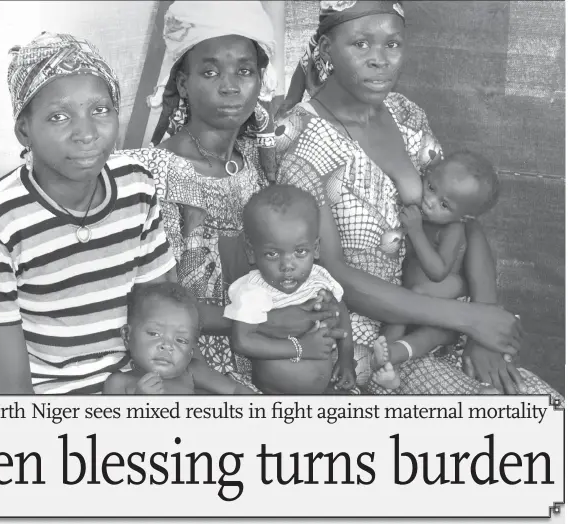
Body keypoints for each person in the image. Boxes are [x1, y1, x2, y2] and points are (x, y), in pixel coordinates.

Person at [275, 0, 563, 400]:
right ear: (325, 48)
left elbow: (462, 219)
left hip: (442, 322)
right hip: (362, 338)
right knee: (485, 422)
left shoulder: (407, 114)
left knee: (545, 409)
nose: (380, 60)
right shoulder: (297, 139)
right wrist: (467, 317)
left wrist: (484, 324)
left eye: (392, 45)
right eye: (360, 44)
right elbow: (330, 271)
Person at [124, 1, 346, 389]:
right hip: (189, 368)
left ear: (260, 79)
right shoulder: (148, 175)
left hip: (272, 357)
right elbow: (150, 302)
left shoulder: (261, 167)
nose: (230, 86)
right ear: (182, 83)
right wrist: (269, 322)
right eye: (210, 72)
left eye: (244, 70)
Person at [0, 33, 176, 394]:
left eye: (100, 110)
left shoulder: (135, 183)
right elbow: (11, 393)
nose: (86, 134)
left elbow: (164, 310)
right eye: (58, 117)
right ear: (24, 131)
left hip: (138, 384)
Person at [372, 151, 501, 390]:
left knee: (422, 329)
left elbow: (438, 271)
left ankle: (394, 357)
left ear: (465, 217)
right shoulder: (424, 212)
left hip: (446, 303)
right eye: (431, 187)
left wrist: (416, 231)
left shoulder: (452, 229)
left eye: (444, 204)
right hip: (413, 298)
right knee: (398, 318)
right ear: (427, 174)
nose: (430, 201)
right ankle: (389, 368)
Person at [224, 184, 356, 394]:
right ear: (251, 252)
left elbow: (340, 313)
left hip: (325, 389)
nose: (287, 265)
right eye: (272, 254)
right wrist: (301, 348)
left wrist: (346, 357)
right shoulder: (254, 292)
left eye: (301, 252)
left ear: (316, 248)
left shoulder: (319, 279)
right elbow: (242, 341)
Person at [103, 282, 253, 394]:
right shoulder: (118, 383)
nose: (167, 346)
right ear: (127, 336)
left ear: (191, 351)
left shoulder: (191, 372)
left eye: (181, 340)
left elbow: (238, 392)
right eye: (155, 333)